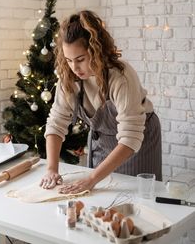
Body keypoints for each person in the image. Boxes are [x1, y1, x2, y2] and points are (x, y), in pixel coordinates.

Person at [40, 10, 162, 194]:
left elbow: (130, 137)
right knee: (101, 199)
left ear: (96, 51)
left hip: (137, 142)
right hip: (102, 141)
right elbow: (56, 124)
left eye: (80, 59)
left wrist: (91, 179)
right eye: (69, 60)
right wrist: (51, 168)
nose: (74, 68)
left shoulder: (120, 77)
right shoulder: (68, 78)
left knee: (135, 200)